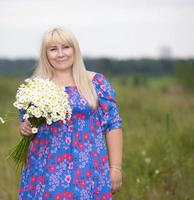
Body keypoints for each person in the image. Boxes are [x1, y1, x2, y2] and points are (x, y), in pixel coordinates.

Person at [18, 26, 123, 199]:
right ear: (46, 54)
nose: (60, 54)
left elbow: (113, 125)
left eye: (66, 47)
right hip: (45, 171)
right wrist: (24, 128)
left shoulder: (96, 83)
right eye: (53, 49)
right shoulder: (35, 86)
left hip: (89, 171)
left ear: (75, 49)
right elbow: (25, 124)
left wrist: (116, 168)